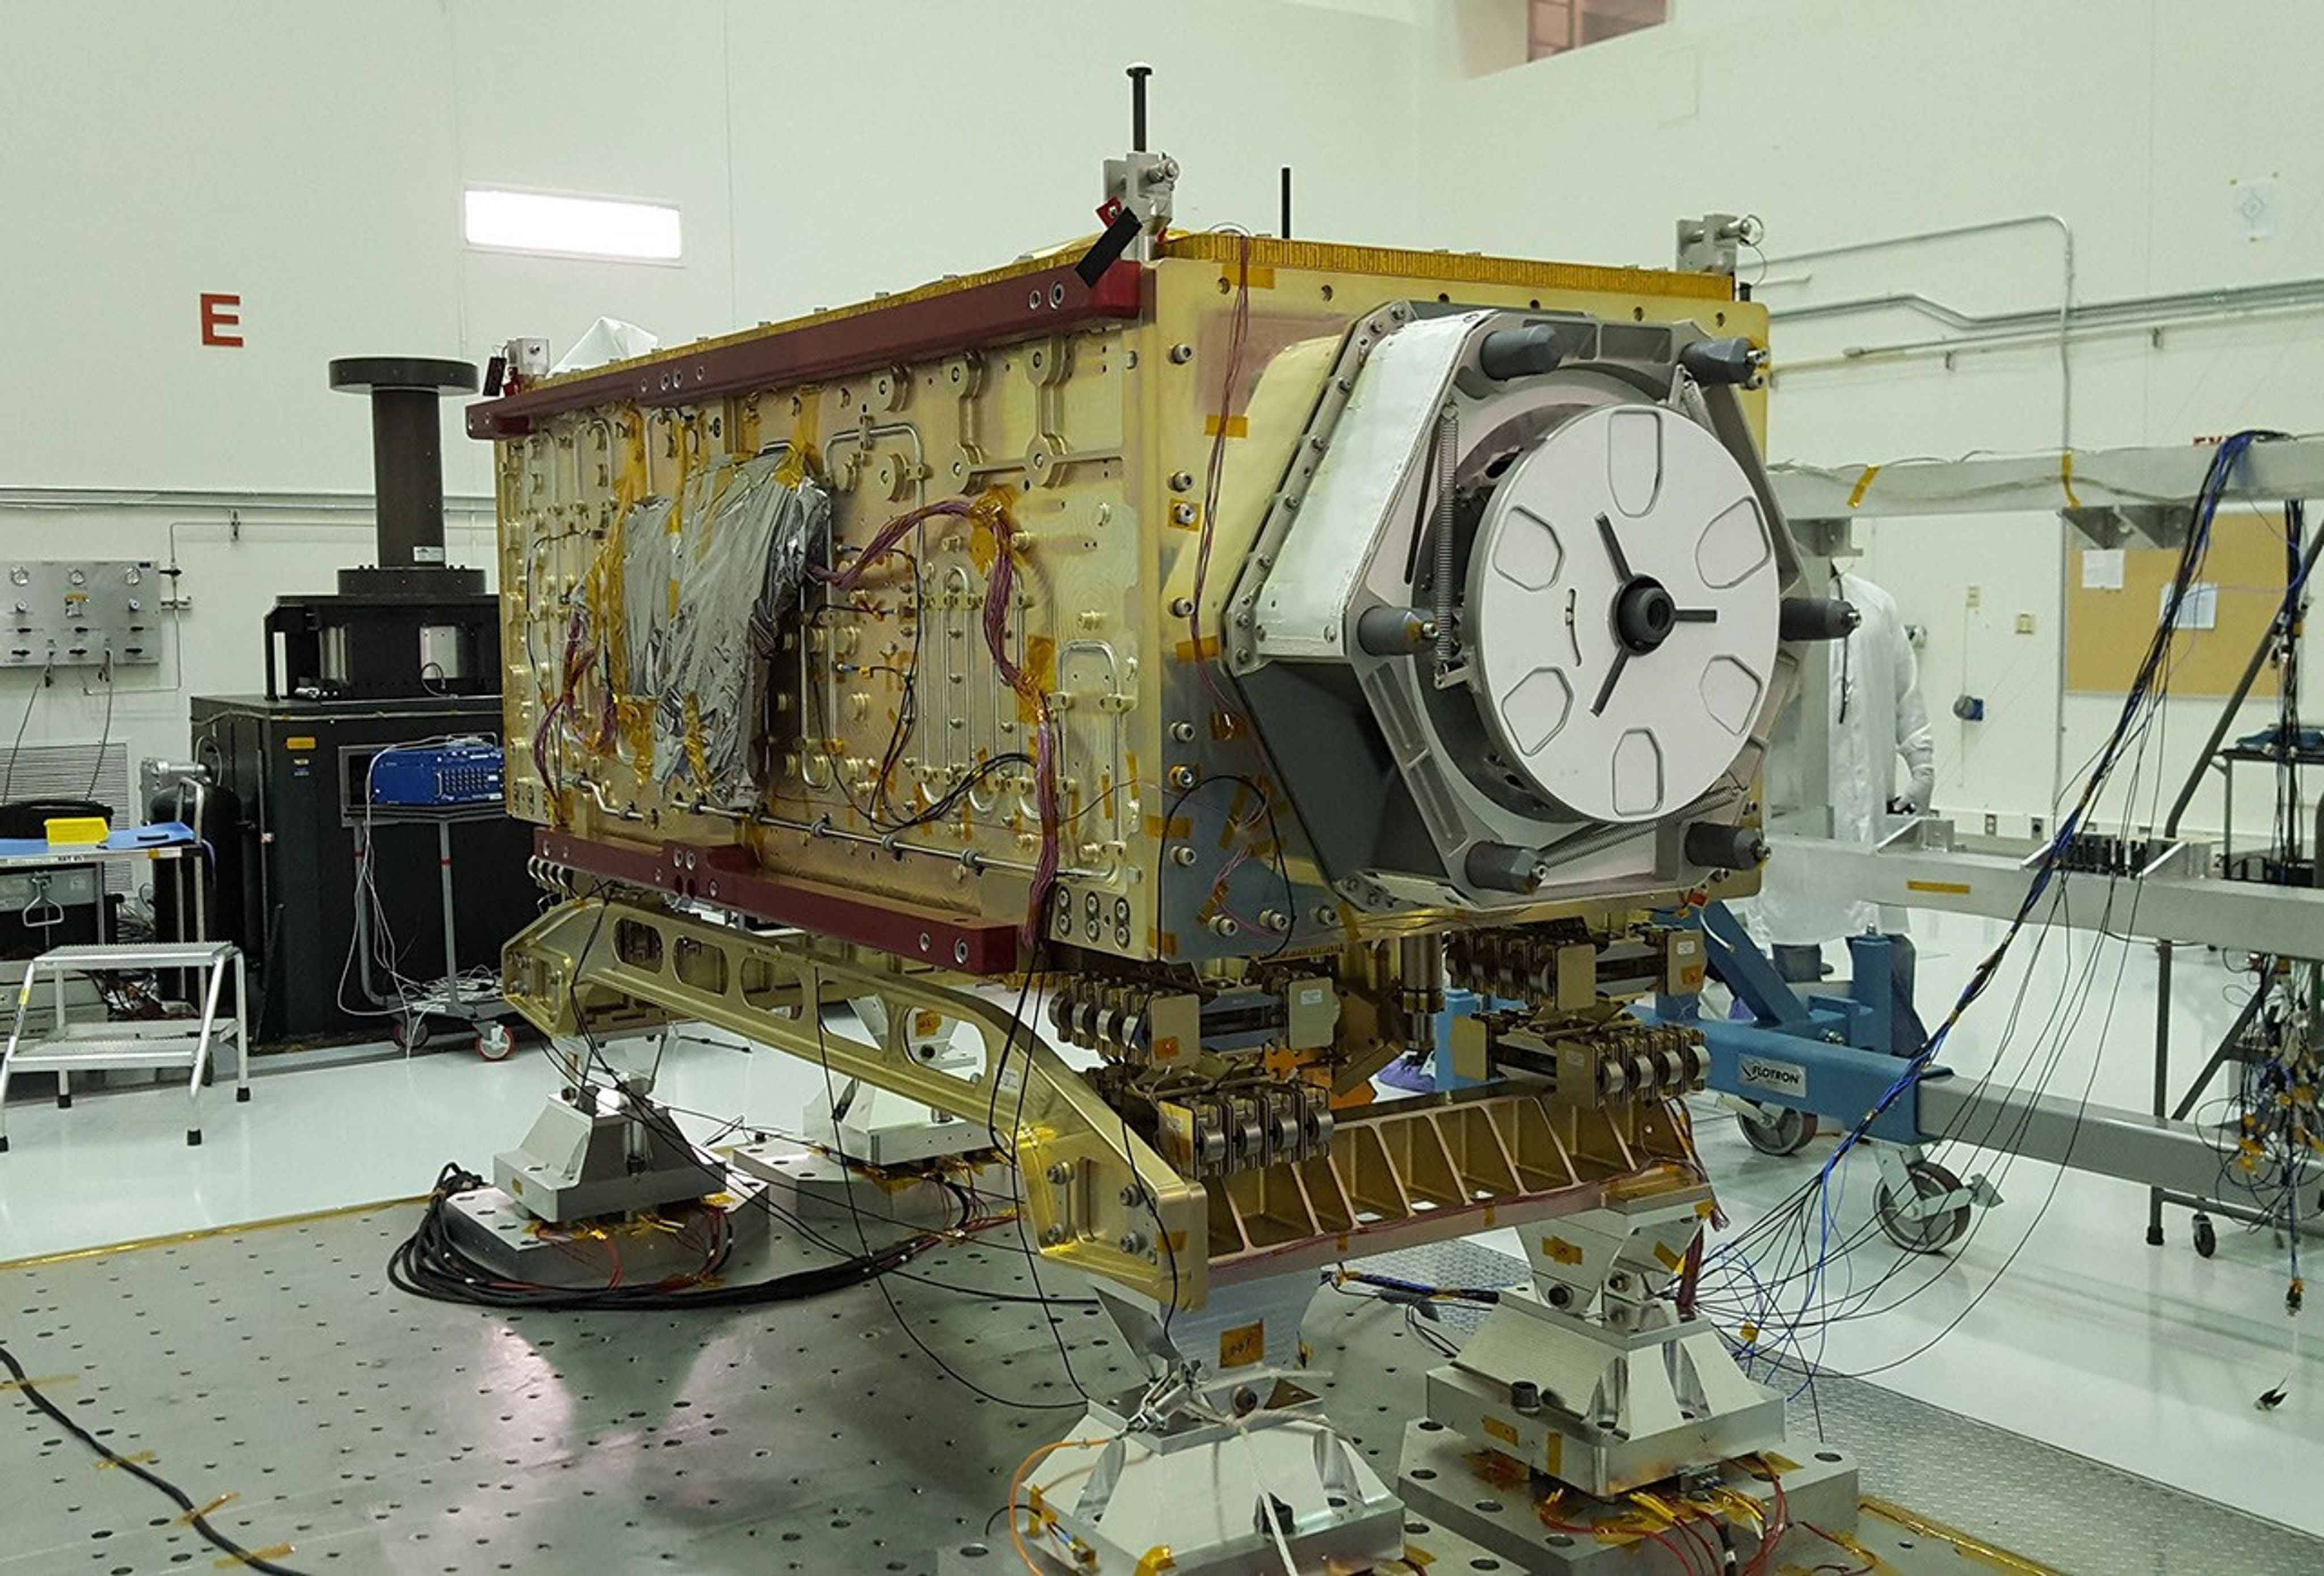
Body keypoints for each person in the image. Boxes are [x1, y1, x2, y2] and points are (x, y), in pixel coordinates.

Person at [1745, 568, 1934, 982]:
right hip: (1793, 808)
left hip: (1866, 807)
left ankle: (1898, 1047)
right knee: (1796, 940)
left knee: (1887, 942)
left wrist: (1922, 764)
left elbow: (1906, 692)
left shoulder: (1875, 603)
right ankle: (1797, 1045)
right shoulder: (1760, 606)